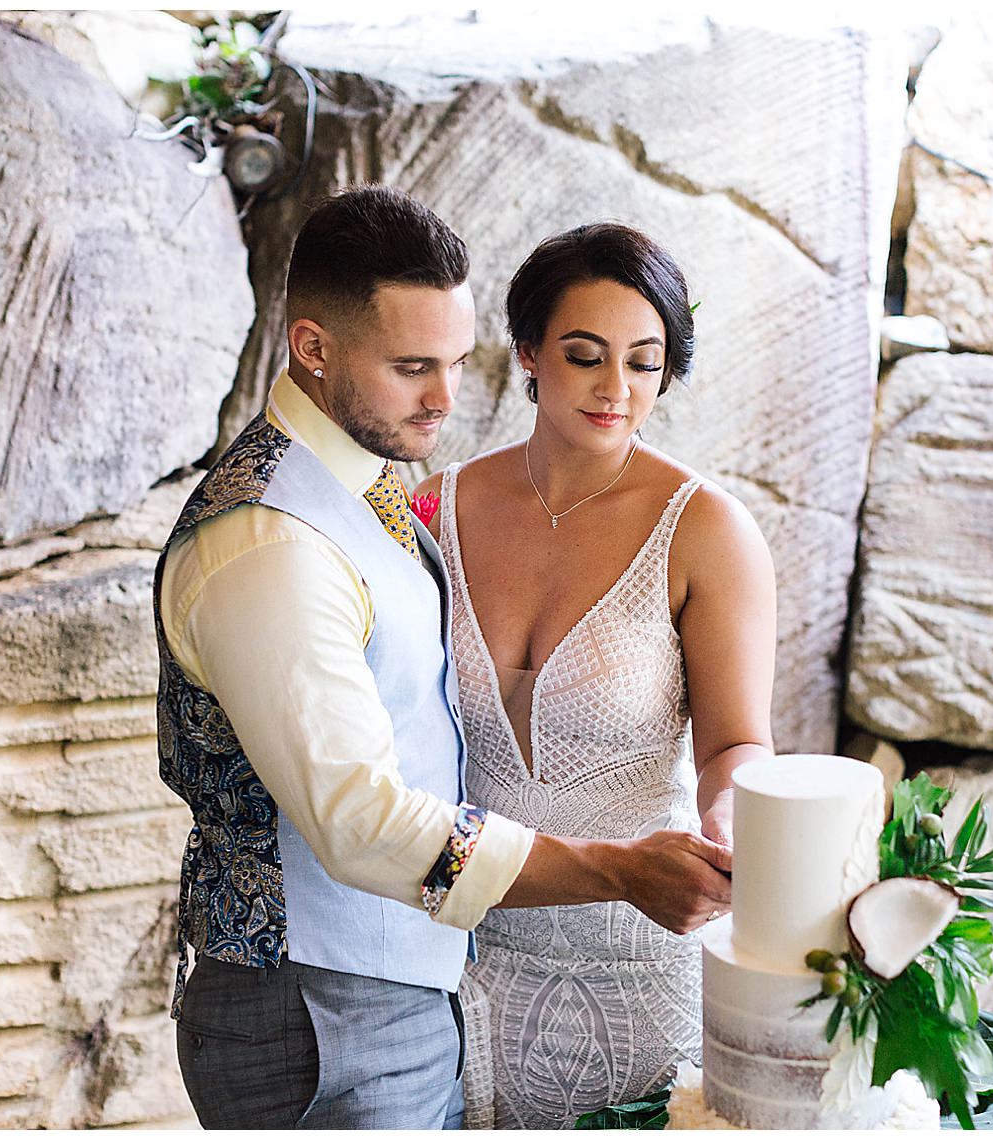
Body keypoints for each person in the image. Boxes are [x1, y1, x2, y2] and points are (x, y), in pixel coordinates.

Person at [154, 188, 734, 1131]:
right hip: (317, 1009)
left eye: (458, 363)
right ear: (311, 348)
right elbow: (358, 822)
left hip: (418, 993)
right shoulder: (271, 543)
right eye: (412, 367)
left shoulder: (366, 486)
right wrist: (619, 871)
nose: (445, 399)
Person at [415, 223, 777, 1128]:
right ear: (531, 353)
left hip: (644, 955)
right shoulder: (433, 508)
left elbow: (735, 742)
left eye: (646, 364)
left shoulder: (708, 529)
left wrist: (730, 820)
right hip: (463, 963)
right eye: (586, 356)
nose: (617, 389)